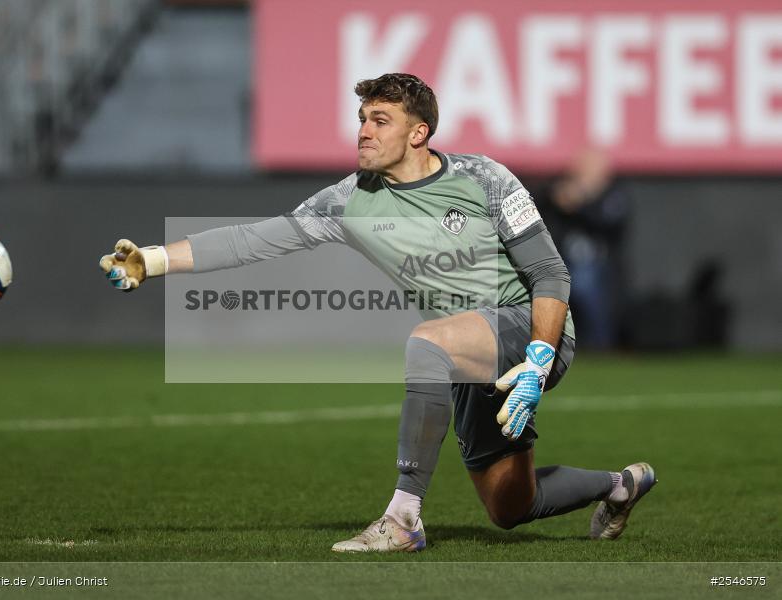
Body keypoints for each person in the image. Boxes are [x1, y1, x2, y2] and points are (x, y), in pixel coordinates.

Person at [100, 73, 655, 551]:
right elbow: (253, 240)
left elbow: (551, 274)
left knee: (427, 342)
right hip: (466, 358)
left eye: (380, 120)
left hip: (532, 329)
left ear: (418, 133)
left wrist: (537, 360)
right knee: (510, 506)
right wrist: (154, 259)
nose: (364, 130)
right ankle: (619, 485)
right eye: (362, 119)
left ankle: (403, 519)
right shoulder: (349, 201)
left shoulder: (484, 178)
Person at [538, 149, 629, 350]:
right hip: (559, 262)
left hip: (601, 267)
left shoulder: (614, 195)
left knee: (586, 282)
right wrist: (558, 197)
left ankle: (599, 345)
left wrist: (581, 204)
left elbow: (607, 223)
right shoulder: (560, 190)